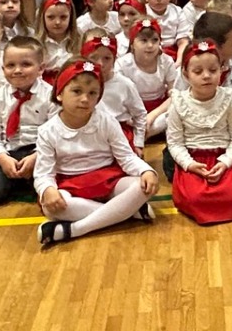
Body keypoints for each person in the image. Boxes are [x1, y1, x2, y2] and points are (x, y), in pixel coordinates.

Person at [34, 61, 159, 249]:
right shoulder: (47, 131)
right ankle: (127, 212)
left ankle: (75, 229)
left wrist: (146, 171)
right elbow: (43, 173)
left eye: (92, 93)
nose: (85, 99)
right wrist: (47, 190)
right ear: (59, 93)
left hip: (107, 178)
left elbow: (126, 157)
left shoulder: (106, 121)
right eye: (77, 91)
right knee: (51, 207)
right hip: (70, 183)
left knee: (142, 187)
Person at [165, 39, 232, 224]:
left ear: (221, 70)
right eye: (198, 71)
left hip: (223, 157)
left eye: (213, 70)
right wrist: (189, 164)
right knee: (194, 198)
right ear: (186, 74)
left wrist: (225, 162)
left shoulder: (229, 100)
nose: (206, 76)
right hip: (194, 159)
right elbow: (175, 142)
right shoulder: (179, 103)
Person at [0, 36, 56, 206]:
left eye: (26, 64)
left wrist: (36, 157)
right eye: (11, 65)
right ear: (3, 69)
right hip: (10, 150)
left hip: (41, 152)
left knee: (55, 188)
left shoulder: (51, 96)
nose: (17, 70)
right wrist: (2, 158)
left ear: (41, 68)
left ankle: (29, 180)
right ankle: (19, 178)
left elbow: (57, 135)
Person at [120, 20, 177, 138]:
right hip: (132, 111)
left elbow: (174, 95)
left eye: (155, 40)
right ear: (132, 44)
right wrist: (138, 118)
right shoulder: (122, 64)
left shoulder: (166, 61)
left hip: (159, 110)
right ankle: (141, 133)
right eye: (144, 40)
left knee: (174, 112)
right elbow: (121, 99)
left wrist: (152, 116)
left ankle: (142, 134)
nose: (150, 45)